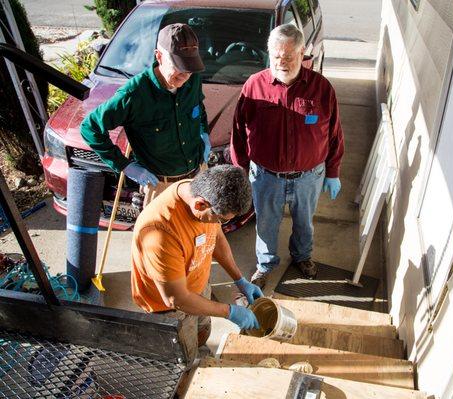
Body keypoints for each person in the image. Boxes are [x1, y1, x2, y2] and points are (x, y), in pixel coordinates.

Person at [230, 24, 345, 289]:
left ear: (302, 52)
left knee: (305, 222)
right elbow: (238, 132)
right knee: (266, 224)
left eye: (288, 57)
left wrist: (333, 171)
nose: (281, 63)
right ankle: (265, 264)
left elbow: (335, 132)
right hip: (266, 177)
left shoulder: (321, 88)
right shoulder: (254, 86)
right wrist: (240, 172)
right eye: (276, 57)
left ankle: (302, 256)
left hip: (309, 176)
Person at [130, 164, 263, 363]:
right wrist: (229, 311)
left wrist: (240, 279)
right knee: (184, 358)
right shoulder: (160, 232)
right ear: (200, 205)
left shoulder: (198, 190)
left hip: (198, 283)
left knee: (202, 332)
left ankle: (198, 351)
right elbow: (177, 300)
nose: (220, 225)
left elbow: (216, 238)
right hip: (171, 309)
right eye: (221, 220)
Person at [80, 23, 212, 207]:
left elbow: (198, 107)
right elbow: (90, 128)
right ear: (159, 56)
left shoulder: (193, 78)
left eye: (189, 68)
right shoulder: (134, 94)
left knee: (200, 235)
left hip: (197, 177)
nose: (185, 75)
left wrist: (204, 134)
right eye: (179, 66)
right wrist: (125, 165)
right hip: (160, 187)